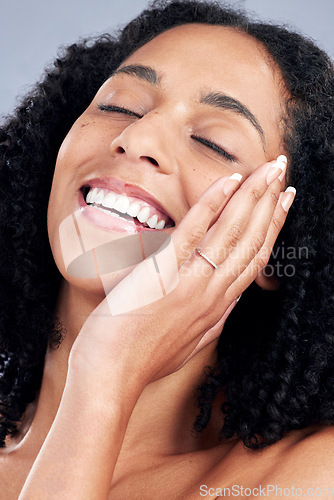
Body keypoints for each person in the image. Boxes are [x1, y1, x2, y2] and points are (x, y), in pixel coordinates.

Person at [0, 0, 333, 497]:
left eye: (213, 142)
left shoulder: (306, 477)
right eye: (119, 106)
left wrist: (106, 374)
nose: (137, 137)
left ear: (274, 243)